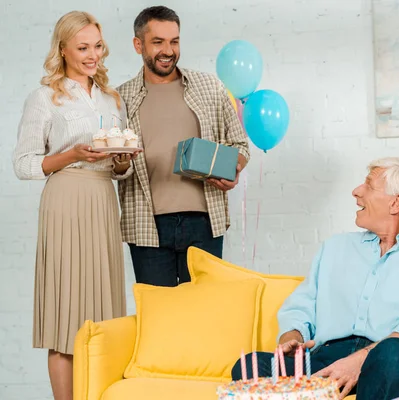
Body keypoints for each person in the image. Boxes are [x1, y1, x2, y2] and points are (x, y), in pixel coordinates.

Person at [231, 157, 399, 399]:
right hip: (323, 361)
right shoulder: (335, 247)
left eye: (368, 186)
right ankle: (315, 389)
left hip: (382, 363)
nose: (356, 192)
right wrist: (292, 336)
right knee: (249, 365)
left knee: (396, 351)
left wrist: (359, 361)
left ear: (395, 202)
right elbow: (303, 304)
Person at [12, 11, 130, 400]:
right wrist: (71, 154)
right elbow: (25, 164)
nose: (92, 54)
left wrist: (122, 162)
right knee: (65, 315)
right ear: (62, 50)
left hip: (101, 200)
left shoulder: (112, 98)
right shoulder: (44, 97)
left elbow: (119, 169)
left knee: (102, 317)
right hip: (64, 201)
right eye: (82, 47)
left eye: (97, 46)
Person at [116, 6, 250, 287]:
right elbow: (115, 167)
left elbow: (240, 145)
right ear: (138, 44)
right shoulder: (120, 99)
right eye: (158, 42)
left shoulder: (209, 87)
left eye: (174, 41)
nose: (168, 50)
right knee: (159, 317)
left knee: (204, 314)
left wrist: (232, 170)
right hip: (146, 226)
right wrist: (119, 161)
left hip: (204, 222)